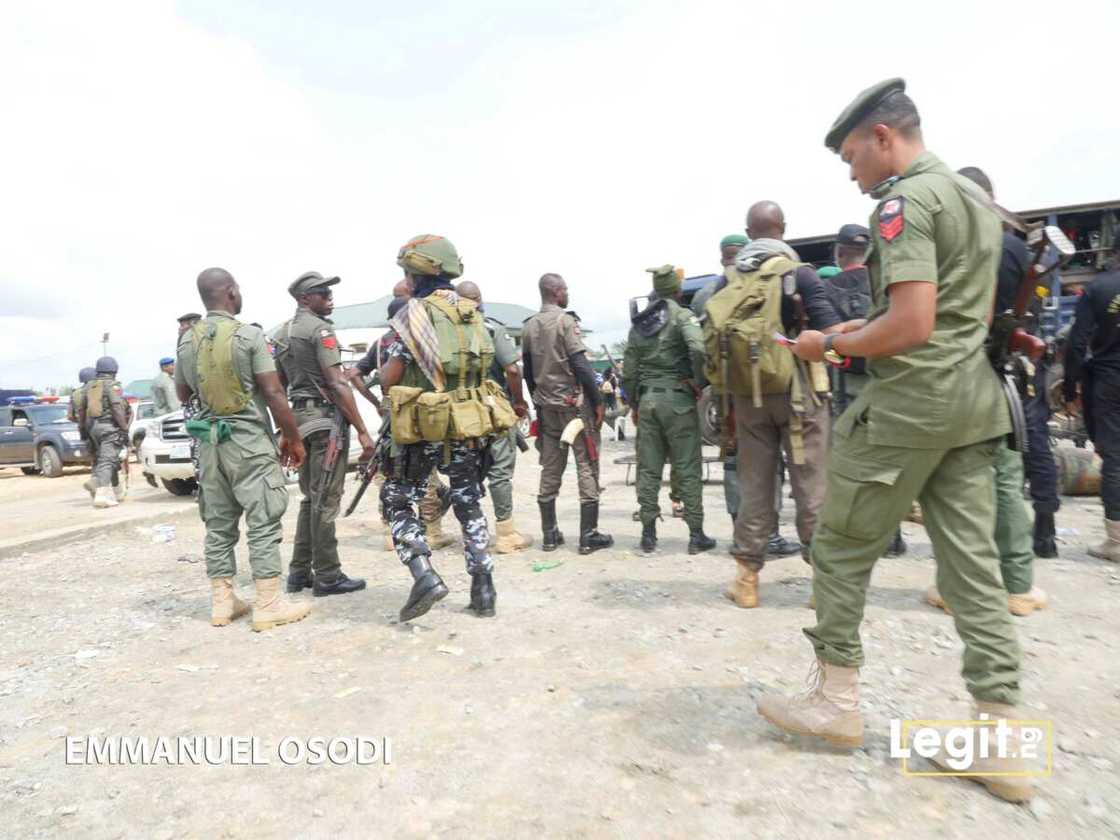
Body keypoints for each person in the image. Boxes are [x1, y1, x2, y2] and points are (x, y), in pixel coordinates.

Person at [757, 79, 1030, 803]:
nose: (851, 174)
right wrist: (850, 330)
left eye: (852, 157)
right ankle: (1001, 737)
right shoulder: (975, 200)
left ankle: (836, 703)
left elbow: (909, 328)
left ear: (884, 137)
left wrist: (830, 349)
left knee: (842, 546)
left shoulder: (904, 203)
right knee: (973, 565)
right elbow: (941, 316)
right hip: (972, 402)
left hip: (911, 403)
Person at [923, 166, 1049, 616]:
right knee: (1007, 481)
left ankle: (957, 588)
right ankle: (1017, 586)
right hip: (1010, 378)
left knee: (956, 485)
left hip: (959, 376)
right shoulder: (1019, 249)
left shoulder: (951, 247)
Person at [714, 203, 840, 609]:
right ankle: (823, 585)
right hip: (800, 393)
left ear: (749, 232)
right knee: (811, 485)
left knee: (755, 485)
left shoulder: (728, 280)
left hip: (749, 399)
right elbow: (829, 332)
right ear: (782, 229)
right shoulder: (799, 273)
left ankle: (747, 580)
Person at [379, 234, 508, 621]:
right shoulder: (473, 312)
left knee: (397, 499)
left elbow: (390, 378)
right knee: (469, 500)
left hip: (427, 427)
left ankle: (424, 575)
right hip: (469, 423)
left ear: (417, 272)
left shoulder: (415, 313)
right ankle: (483, 588)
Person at [176, 267, 310, 631]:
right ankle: (267, 604)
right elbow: (273, 391)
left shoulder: (187, 341)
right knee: (263, 520)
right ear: (232, 293)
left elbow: (183, 394)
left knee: (218, 524)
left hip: (209, 445)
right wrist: (293, 438)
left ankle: (223, 602)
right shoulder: (250, 336)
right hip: (248, 442)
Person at [957, 166, 1062, 559]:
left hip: (976, 364)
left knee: (980, 460)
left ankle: (984, 546)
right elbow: (1035, 304)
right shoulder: (1019, 249)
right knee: (1031, 444)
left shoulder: (964, 246)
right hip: (1019, 365)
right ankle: (1044, 533)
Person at [694, 233, 802, 559]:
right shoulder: (773, 280)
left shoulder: (706, 292)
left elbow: (703, 349)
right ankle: (770, 537)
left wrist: (711, 390)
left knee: (733, 462)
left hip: (725, 392)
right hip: (769, 386)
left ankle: (740, 534)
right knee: (769, 466)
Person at [273, 272, 374, 598]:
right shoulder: (320, 330)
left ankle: (299, 571)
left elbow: (278, 387)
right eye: (322, 292)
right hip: (326, 423)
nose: (330, 297)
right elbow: (336, 382)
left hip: (300, 422)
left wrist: (287, 431)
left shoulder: (283, 333)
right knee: (326, 500)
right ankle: (328, 575)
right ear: (305, 298)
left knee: (309, 498)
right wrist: (361, 429)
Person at [824, 223, 908, 558]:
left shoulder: (827, 290)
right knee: (889, 458)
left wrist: (840, 361)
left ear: (839, 253)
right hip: (887, 380)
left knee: (850, 463)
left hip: (847, 386)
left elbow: (827, 344)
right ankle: (893, 536)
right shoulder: (886, 286)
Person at [623, 264, 715, 554]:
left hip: (648, 402)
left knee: (648, 469)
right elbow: (698, 349)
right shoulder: (683, 316)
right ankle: (696, 534)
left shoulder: (639, 325)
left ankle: (648, 534)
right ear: (677, 290)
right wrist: (698, 381)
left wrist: (636, 403)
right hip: (678, 401)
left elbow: (628, 372)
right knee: (687, 466)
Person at [522, 273, 613, 554]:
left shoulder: (529, 326)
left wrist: (538, 404)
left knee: (551, 466)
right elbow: (581, 365)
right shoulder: (565, 321)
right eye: (566, 290)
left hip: (547, 407)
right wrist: (598, 402)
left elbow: (527, 372)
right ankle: (588, 536)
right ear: (557, 292)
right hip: (575, 407)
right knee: (586, 463)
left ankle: (550, 535)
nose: (568, 294)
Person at [457, 280, 534, 553]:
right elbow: (513, 371)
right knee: (500, 471)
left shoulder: (445, 333)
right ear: (478, 299)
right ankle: (506, 534)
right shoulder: (491, 327)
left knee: (466, 472)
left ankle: (473, 532)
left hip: (460, 412)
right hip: (493, 408)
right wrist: (519, 402)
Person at [1064, 242, 1120, 562]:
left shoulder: (1099, 288)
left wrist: (1071, 386)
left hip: (1110, 379)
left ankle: (1116, 540)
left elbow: (1077, 342)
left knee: (1114, 456)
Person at [79, 356, 131, 508]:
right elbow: (116, 407)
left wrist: (83, 429)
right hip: (109, 428)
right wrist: (124, 428)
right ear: (114, 370)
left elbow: (82, 410)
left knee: (104, 459)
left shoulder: (89, 386)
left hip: (93, 428)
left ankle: (113, 490)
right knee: (108, 461)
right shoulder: (112, 386)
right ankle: (100, 495)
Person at [176, 313, 204, 488]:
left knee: (199, 448)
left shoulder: (188, 346)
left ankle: (205, 487)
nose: (179, 329)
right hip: (199, 405)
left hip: (197, 406)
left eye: (183, 325)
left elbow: (182, 392)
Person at [69, 366, 98, 499]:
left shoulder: (75, 394)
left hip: (85, 430)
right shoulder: (97, 390)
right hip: (101, 428)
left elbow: (70, 416)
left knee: (95, 460)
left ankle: (95, 487)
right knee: (108, 459)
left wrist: (80, 422)